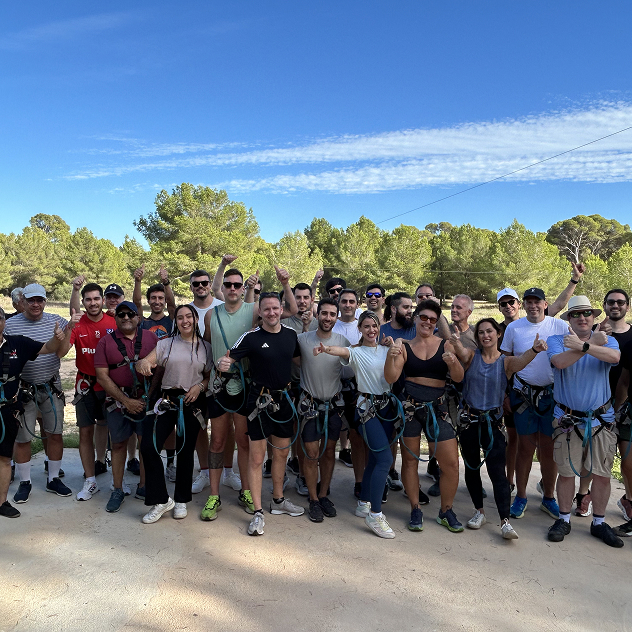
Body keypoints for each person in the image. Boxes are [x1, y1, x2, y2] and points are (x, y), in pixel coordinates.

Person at [217, 291, 304, 536]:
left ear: (281, 309)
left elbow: (298, 360)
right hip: (259, 402)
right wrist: (223, 364)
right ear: (260, 312)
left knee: (282, 453)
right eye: (266, 309)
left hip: (285, 400)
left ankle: (278, 501)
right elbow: (227, 359)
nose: (271, 313)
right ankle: (257, 512)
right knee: (257, 458)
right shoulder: (251, 337)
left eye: (275, 308)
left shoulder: (291, 335)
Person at [451, 318, 547, 539]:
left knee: (497, 473)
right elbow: (459, 349)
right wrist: (455, 341)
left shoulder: (506, 362)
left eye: (490, 331)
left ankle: (505, 521)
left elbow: (523, 360)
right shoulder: (470, 357)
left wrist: (535, 349)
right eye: (481, 332)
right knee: (472, 468)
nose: (486, 335)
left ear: (498, 334)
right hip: (469, 421)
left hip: (493, 424)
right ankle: (479, 511)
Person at [546, 296, 622, 547]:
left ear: (594, 317)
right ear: (569, 319)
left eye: (587, 313)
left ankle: (599, 522)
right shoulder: (557, 341)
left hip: (601, 419)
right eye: (576, 314)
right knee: (566, 473)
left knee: (601, 474)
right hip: (568, 420)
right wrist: (588, 345)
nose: (582, 317)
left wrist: (585, 345)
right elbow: (559, 362)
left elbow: (614, 359)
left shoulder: (607, 340)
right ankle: (564, 518)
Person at [316, 311, 400, 538]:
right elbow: (340, 351)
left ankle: (364, 501)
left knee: (375, 458)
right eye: (366, 327)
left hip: (387, 408)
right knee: (385, 459)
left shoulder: (386, 350)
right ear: (360, 329)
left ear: (379, 328)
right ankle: (375, 514)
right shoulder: (356, 352)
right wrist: (325, 349)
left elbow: (393, 372)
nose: (371, 330)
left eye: (374, 326)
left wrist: (393, 348)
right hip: (367, 409)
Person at [384, 300, 464, 533]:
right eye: (423, 317)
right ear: (416, 318)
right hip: (410, 408)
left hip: (438, 408)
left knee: (450, 463)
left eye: (432, 319)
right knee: (410, 460)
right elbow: (390, 378)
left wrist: (453, 361)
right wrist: (391, 356)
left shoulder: (446, 344)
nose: (427, 322)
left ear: (436, 322)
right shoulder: (405, 346)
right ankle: (415, 508)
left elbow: (458, 377)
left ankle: (446, 510)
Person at [136, 305, 212, 523]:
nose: (185, 321)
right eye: (180, 317)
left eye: (189, 316)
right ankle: (161, 499)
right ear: (175, 321)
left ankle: (181, 500)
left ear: (196, 319)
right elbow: (147, 361)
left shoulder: (205, 347)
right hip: (168, 400)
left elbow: (208, 376)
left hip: (193, 400)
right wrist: (143, 365)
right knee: (149, 446)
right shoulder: (165, 344)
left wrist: (200, 387)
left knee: (186, 450)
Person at [501, 288, 570, 522]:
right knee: (524, 449)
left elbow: (576, 345)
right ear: (524, 304)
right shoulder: (513, 329)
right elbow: (505, 364)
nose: (533, 305)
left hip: (552, 396)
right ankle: (520, 496)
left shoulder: (558, 325)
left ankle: (548, 497)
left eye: (537, 301)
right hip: (523, 396)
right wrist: (505, 394)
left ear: (544, 303)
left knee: (549, 450)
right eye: (528, 301)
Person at [199, 263, 260, 521]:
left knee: (244, 442)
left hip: (245, 385)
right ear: (222, 288)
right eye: (229, 285)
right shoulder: (212, 316)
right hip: (218, 385)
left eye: (238, 284)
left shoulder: (254, 310)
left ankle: (246, 490)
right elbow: (210, 345)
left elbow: (284, 312)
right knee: (218, 441)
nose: (233, 288)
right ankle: (214, 495)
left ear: (244, 287)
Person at [6, 284, 77, 504]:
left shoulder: (57, 321)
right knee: (23, 437)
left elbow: (64, 344)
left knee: (54, 434)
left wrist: (67, 331)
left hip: (50, 387)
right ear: (23, 302)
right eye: (31, 300)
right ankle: (25, 482)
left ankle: (53, 478)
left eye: (40, 300)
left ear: (45, 301)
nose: (36, 304)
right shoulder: (9, 324)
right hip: (22, 390)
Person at [0, 306, 68, 517]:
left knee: (3, 457)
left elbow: (48, 348)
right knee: (19, 444)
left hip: (9, 409)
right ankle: (23, 482)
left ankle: (2, 502)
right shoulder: (14, 333)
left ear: (4, 321)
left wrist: (58, 337)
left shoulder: (16, 343)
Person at [95, 301, 158, 513]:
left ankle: (144, 485)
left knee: (145, 444)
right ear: (116, 318)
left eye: (131, 314)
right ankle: (118, 489)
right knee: (119, 445)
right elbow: (102, 377)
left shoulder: (151, 338)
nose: (126, 318)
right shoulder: (105, 342)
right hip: (117, 403)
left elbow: (161, 368)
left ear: (138, 317)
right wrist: (125, 401)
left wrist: (149, 396)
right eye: (121, 314)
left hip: (146, 401)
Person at [60, 283, 116, 500]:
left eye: (96, 299)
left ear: (103, 300)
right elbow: (63, 352)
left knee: (111, 429)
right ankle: (90, 481)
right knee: (85, 431)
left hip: (110, 384)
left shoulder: (113, 321)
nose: (93, 303)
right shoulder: (77, 324)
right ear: (83, 302)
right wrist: (67, 329)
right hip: (85, 384)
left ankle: (111, 475)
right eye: (88, 299)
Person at [295, 298, 349, 522]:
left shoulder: (342, 341)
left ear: (337, 317)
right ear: (318, 315)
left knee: (329, 453)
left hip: (333, 406)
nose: (328, 318)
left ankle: (324, 494)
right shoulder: (302, 339)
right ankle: (313, 498)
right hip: (310, 406)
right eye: (324, 313)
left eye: (332, 314)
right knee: (311, 454)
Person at [597, 289, 632, 522]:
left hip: (623, 405)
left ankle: (628, 499)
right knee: (597, 455)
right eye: (611, 302)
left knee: (626, 457)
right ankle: (585, 495)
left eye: (620, 302)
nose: (615, 306)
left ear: (628, 306)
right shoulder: (596, 333)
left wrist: (620, 407)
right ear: (605, 305)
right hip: (597, 401)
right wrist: (597, 334)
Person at [281, 282, 318, 495]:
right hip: (287, 385)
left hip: (310, 387)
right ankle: (284, 467)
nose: (302, 301)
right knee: (285, 432)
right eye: (298, 297)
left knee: (306, 434)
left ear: (312, 299)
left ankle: (304, 476)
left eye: (306, 297)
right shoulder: (284, 322)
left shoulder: (321, 322)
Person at [332, 289, 365, 495]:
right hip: (331, 384)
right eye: (343, 301)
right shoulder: (329, 324)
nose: (347, 305)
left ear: (356, 304)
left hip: (357, 387)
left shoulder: (363, 327)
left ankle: (360, 481)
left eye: (351, 301)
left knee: (357, 435)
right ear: (338, 303)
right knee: (328, 435)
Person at [133, 264, 176, 339]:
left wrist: (165, 282)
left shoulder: (172, 320)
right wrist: (137, 281)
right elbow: (137, 303)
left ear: (165, 301)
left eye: (160, 298)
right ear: (148, 301)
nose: (157, 301)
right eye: (153, 298)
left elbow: (171, 304)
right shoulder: (142, 322)